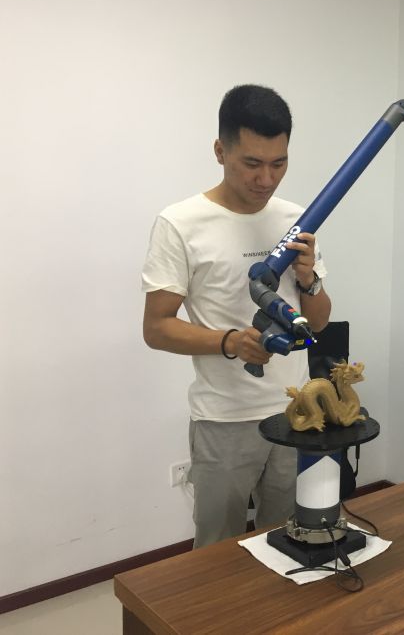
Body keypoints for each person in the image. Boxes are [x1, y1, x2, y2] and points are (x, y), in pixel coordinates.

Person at [141, 85, 331, 548]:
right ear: (220, 151)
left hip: (296, 411)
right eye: (252, 163)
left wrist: (310, 281)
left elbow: (320, 323)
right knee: (216, 552)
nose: (266, 179)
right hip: (224, 419)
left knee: (289, 540)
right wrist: (230, 342)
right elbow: (156, 327)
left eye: (279, 163)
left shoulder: (297, 219)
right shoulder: (181, 223)